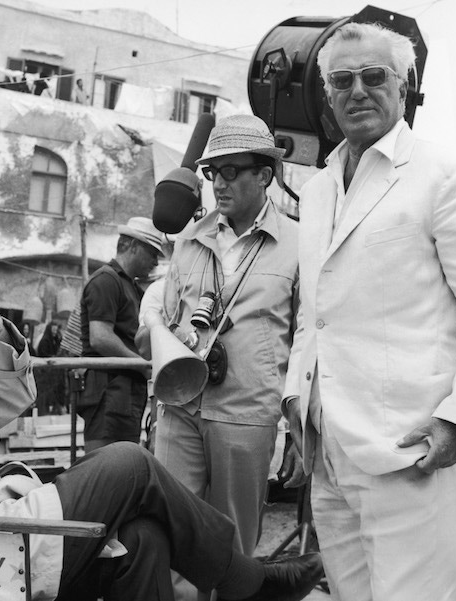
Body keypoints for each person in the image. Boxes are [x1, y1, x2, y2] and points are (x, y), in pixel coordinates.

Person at [0, 200, 323, 601]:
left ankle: (240, 578)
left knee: (143, 539)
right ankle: (248, 582)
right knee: (129, 464)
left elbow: (6, 399)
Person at [283, 22, 456, 601]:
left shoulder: (447, 176)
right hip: (330, 452)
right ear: (326, 92)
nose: (358, 90)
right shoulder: (317, 192)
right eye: (342, 79)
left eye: (374, 76)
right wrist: (298, 406)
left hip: (416, 451)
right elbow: (313, 317)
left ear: (405, 82)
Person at [142, 113, 302, 601]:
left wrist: (299, 429)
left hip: (246, 411)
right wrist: (156, 404)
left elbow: (312, 341)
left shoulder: (300, 244)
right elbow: (169, 322)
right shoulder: (190, 239)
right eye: (213, 173)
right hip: (179, 407)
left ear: (265, 175)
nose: (219, 183)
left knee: (234, 543)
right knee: (173, 533)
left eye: (233, 171)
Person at [79, 216, 162, 451]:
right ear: (133, 246)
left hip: (123, 391)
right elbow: (100, 337)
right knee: (103, 464)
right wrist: (142, 364)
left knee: (124, 464)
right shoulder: (107, 281)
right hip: (108, 390)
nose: (155, 262)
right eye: (152, 253)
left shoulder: (130, 287)